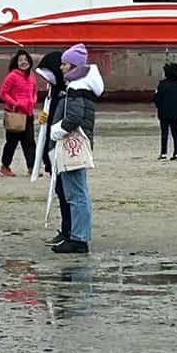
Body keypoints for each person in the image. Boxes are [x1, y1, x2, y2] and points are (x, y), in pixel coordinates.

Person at [49, 43, 104, 254]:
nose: (61, 67)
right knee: (78, 191)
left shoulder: (76, 86)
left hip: (74, 144)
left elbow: (73, 117)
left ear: (73, 65)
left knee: (76, 193)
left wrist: (56, 131)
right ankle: (77, 236)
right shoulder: (83, 85)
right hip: (81, 142)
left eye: (64, 64)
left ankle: (78, 239)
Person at [36, 50, 71, 246]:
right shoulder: (54, 94)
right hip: (51, 151)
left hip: (62, 152)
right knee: (60, 191)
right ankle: (66, 229)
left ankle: (69, 230)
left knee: (67, 193)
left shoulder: (65, 94)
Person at [0, 50, 37, 176]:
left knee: (30, 142)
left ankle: (32, 167)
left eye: (25, 59)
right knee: (12, 142)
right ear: (16, 62)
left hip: (29, 113)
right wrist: (15, 103)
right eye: (20, 60)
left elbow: (34, 92)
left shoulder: (31, 76)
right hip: (15, 114)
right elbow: (3, 93)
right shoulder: (12, 76)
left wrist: (33, 100)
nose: (23, 62)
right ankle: (5, 166)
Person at [153, 62, 177, 160]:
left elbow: (157, 99)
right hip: (175, 114)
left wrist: (159, 107)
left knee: (164, 133)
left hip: (164, 113)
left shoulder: (162, 85)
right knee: (175, 133)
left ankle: (163, 153)